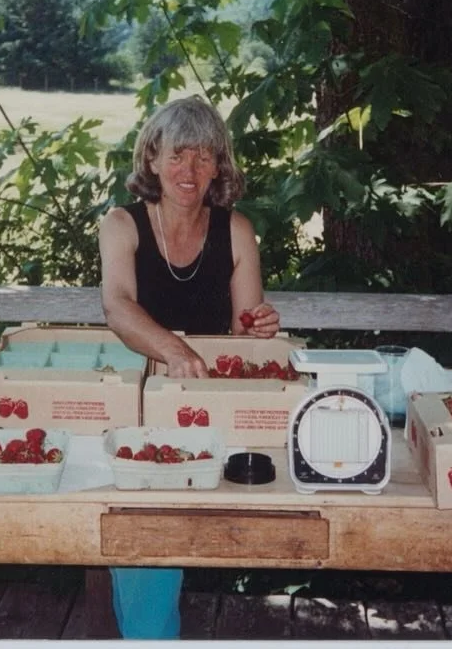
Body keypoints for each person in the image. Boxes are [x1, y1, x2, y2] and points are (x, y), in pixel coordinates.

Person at [97, 95, 281, 639]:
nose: (189, 169)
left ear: (219, 166)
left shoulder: (237, 230)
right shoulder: (121, 224)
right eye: (177, 154)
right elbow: (117, 307)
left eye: (204, 156)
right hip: (135, 408)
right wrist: (176, 350)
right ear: (152, 160)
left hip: (205, 407)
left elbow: (244, 337)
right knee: (147, 537)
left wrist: (257, 329)